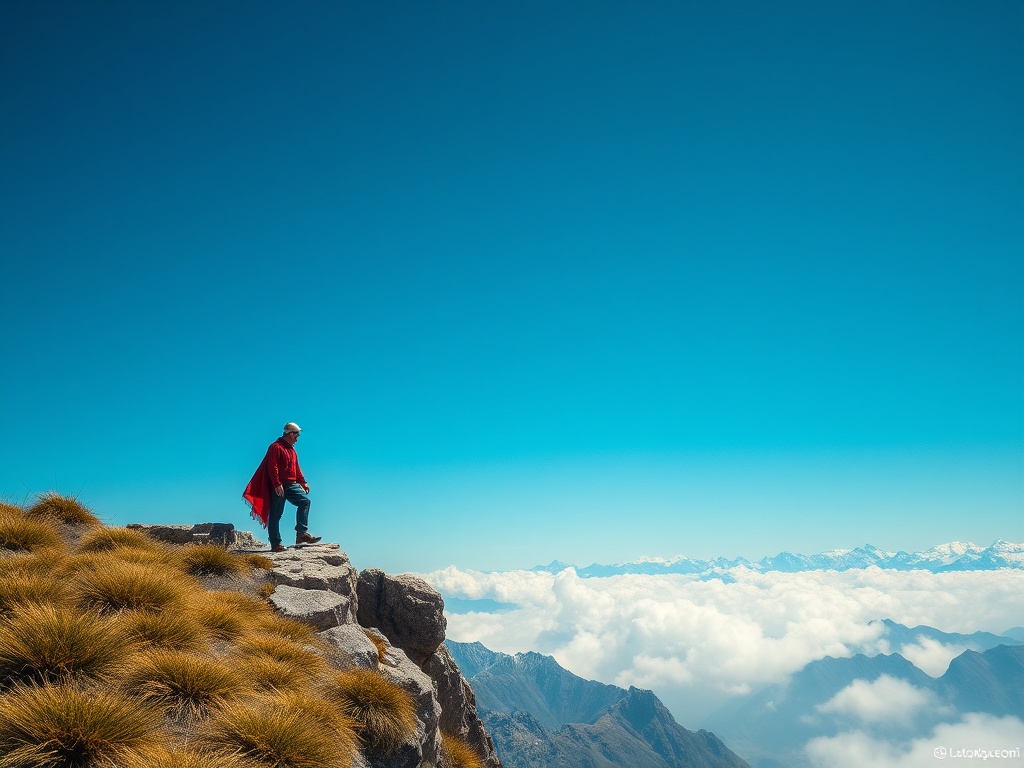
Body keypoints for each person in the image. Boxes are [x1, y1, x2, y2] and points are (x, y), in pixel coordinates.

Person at [243, 422, 322, 552]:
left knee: (305, 502)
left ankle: (301, 534)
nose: (298, 437)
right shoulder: (275, 447)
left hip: (291, 485)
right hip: (279, 485)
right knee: (275, 514)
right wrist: (277, 484)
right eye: (297, 434)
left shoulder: (292, 450)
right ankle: (276, 544)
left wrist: (303, 482)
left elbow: (296, 468)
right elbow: (272, 467)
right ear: (290, 434)